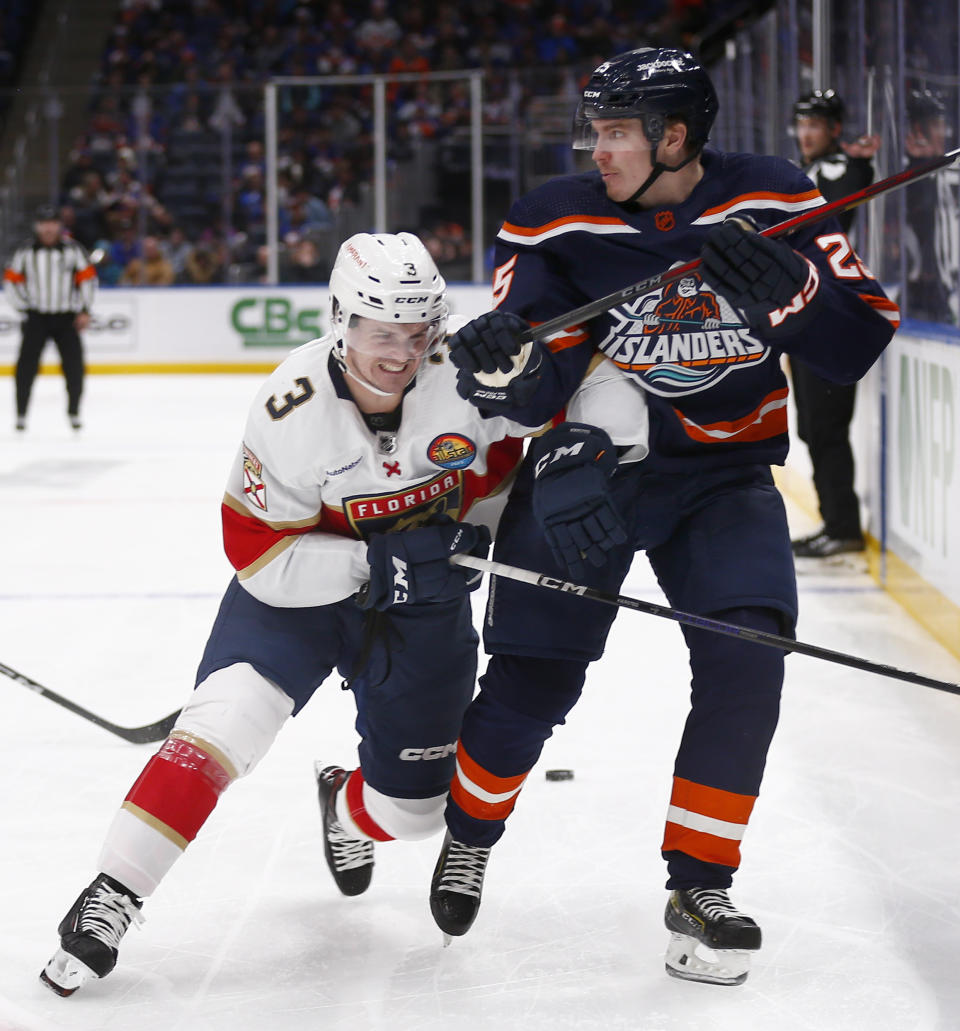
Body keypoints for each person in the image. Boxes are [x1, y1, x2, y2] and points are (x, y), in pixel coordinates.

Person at [39, 231, 647, 997]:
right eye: (380, 331)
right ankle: (112, 894)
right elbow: (257, 551)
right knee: (218, 730)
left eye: (417, 332)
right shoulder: (289, 405)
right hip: (300, 602)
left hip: (426, 611)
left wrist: (585, 445)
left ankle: (345, 806)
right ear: (340, 320)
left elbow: (601, 373)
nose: (400, 353)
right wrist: (380, 562)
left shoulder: (467, 374)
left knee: (416, 813)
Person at [429, 48, 899, 986]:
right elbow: (537, 384)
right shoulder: (551, 218)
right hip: (593, 477)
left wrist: (790, 290)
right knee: (535, 682)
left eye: (614, 132)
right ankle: (470, 831)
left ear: (674, 136)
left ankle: (701, 882)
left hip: (723, 479)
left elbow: (858, 342)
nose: (594, 149)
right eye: (594, 131)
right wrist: (504, 365)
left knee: (748, 655)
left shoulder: (772, 194)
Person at [789, 88, 880, 558]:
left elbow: (839, 204)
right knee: (812, 426)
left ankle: (843, 526)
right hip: (808, 314)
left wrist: (859, 162)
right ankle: (835, 522)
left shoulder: (835, 168)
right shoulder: (807, 171)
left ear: (834, 129)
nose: (806, 133)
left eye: (815, 125)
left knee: (825, 426)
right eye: (801, 124)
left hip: (831, 313)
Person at [3, 204, 97, 431]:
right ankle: (21, 414)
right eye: (44, 223)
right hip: (36, 317)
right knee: (26, 367)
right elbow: (11, 282)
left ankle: (74, 412)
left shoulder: (73, 250)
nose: (48, 228)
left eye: (52, 223)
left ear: (59, 225)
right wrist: (24, 308)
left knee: (74, 367)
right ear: (37, 226)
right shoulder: (24, 252)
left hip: (66, 318)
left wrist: (84, 309)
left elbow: (87, 280)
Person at [903, 87, 959, 324]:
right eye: (934, 125)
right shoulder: (908, 174)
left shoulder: (953, 170)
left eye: (941, 124)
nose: (942, 133)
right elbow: (919, 212)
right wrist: (920, 164)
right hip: (926, 291)